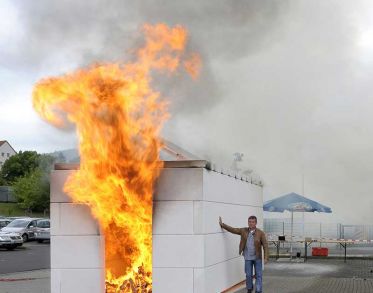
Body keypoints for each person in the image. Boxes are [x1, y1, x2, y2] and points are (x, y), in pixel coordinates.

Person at [219, 215, 268, 293]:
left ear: (256, 223)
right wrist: (223, 225)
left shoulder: (260, 233)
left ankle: (258, 291)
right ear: (248, 222)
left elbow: (265, 245)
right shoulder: (243, 231)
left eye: (253, 222)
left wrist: (265, 258)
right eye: (249, 222)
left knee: (258, 275)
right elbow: (233, 230)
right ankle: (249, 288)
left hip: (257, 258)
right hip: (247, 257)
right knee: (248, 275)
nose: (251, 223)